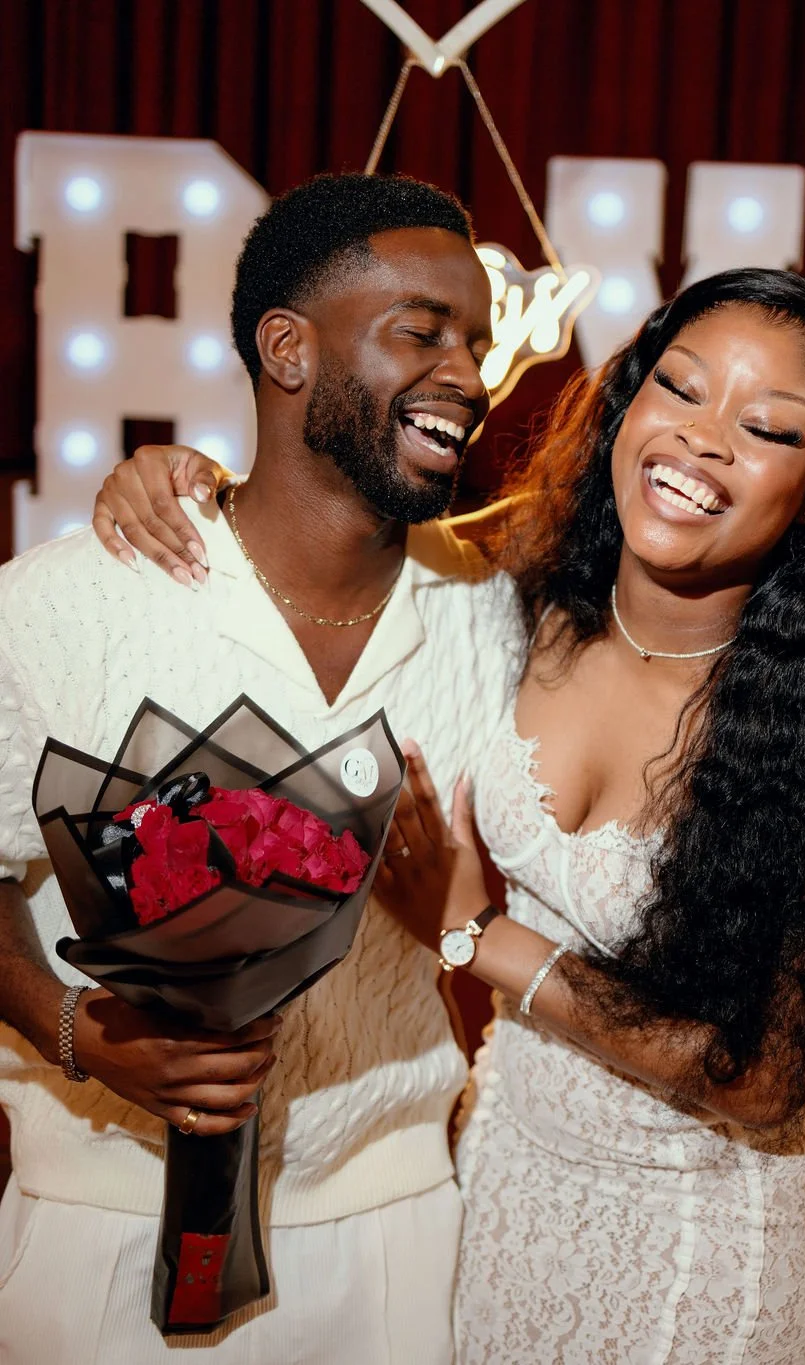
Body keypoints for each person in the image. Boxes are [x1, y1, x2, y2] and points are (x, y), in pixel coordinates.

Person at [93, 269, 805, 1363]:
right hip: (512, 1170)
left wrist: (476, 933)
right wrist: (185, 476)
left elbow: (762, 1077)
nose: (704, 440)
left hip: (713, 1220)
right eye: (678, 388)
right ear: (626, 405)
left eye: (767, 427)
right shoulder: (528, 581)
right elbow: (322, 524)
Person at [0, 172, 512, 1364]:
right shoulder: (64, 605)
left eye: (478, 341)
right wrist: (83, 1035)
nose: (472, 377)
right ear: (287, 349)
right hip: (101, 1225)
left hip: (396, 1232)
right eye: (422, 333)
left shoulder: (494, 615)